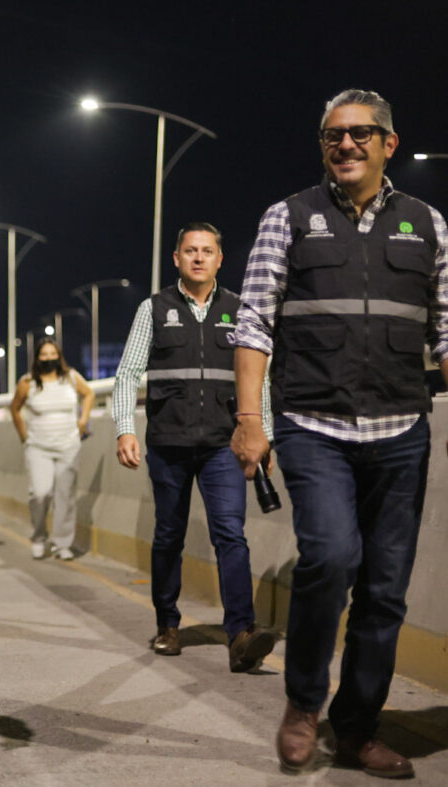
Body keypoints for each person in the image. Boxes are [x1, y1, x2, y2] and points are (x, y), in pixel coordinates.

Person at [231, 89, 448, 779]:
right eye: (333, 135)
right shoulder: (288, 217)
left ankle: (356, 728)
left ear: (388, 142)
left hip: (401, 428)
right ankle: (304, 701)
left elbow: (446, 328)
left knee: (386, 589)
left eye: (360, 133)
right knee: (329, 556)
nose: (345, 144)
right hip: (313, 424)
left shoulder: (429, 224)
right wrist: (249, 419)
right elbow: (254, 322)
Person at [113, 222, 278, 671]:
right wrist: (125, 428)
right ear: (177, 258)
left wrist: (263, 435)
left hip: (224, 444)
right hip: (169, 443)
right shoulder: (153, 309)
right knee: (169, 534)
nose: (199, 257)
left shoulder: (240, 310)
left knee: (231, 534)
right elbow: (128, 374)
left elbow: (258, 380)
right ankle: (168, 625)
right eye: (191, 251)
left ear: (220, 259)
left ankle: (241, 634)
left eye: (207, 251)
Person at [9, 339, 94, 560]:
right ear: (37, 358)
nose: (49, 358)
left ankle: (62, 544)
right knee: (40, 493)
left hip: (69, 446)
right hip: (38, 447)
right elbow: (15, 409)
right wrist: (24, 437)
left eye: (52, 353)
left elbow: (89, 394)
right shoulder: (27, 382)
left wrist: (83, 419)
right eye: (44, 354)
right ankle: (39, 537)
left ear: (59, 356)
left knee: (65, 495)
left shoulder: (71, 378)